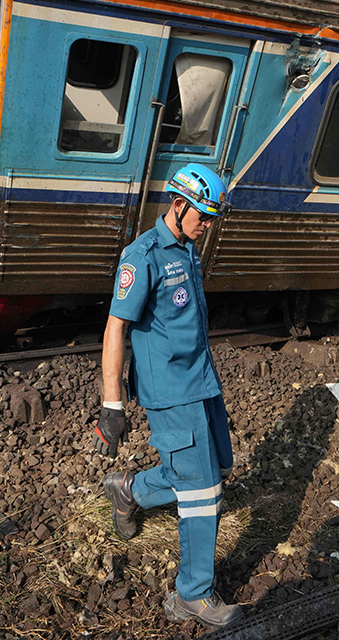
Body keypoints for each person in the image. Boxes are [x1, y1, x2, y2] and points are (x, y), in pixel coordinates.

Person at [95, 163, 243, 628]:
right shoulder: (143, 256)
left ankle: (129, 490)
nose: (209, 224)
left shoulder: (187, 246)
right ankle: (192, 596)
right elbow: (115, 328)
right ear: (179, 206)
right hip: (170, 392)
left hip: (201, 381)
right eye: (204, 215)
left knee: (213, 467)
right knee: (203, 493)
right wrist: (112, 403)